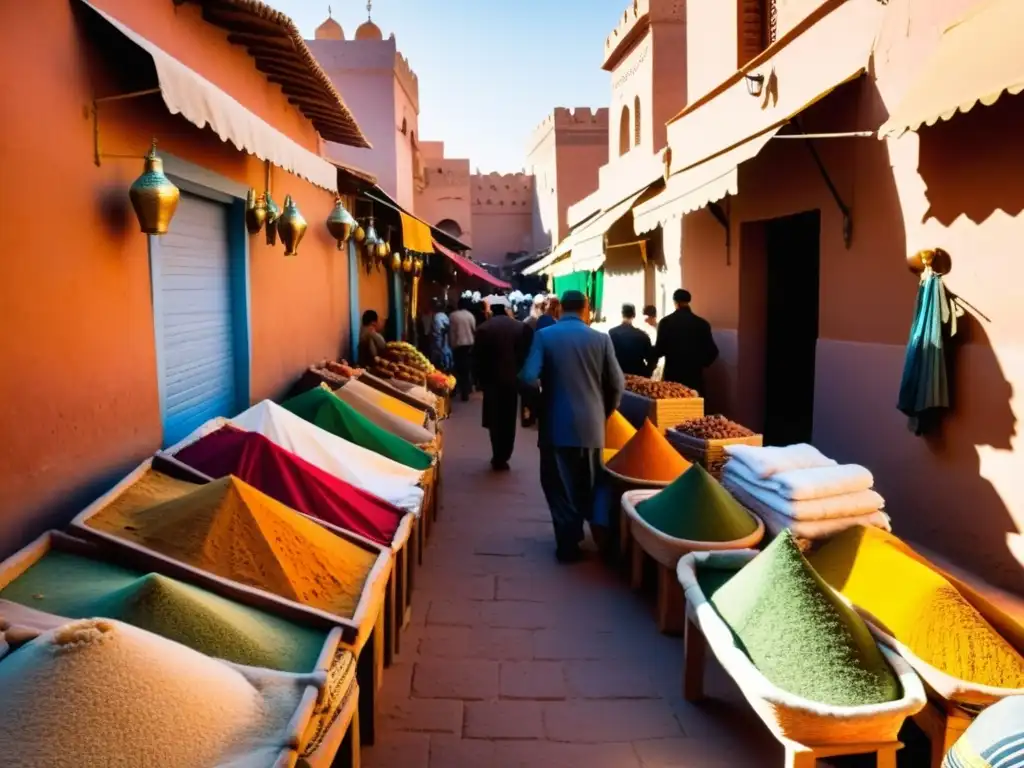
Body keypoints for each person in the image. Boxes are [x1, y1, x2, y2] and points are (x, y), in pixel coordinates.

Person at [520, 290, 625, 563]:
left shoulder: (545, 336)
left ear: (560, 308)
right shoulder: (601, 339)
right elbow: (617, 384)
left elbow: (528, 377)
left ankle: (567, 542)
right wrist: (603, 412)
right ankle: (594, 533)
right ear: (586, 308)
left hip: (555, 427)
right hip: (592, 427)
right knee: (588, 483)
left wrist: (541, 407)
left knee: (558, 485)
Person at [474, 300, 531, 470]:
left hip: (491, 382)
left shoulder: (484, 329)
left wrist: (478, 381)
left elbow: (477, 358)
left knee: (494, 419)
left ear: (491, 311)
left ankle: (497, 453)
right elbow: (526, 355)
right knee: (508, 418)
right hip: (512, 381)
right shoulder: (520, 327)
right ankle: (505, 454)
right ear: (506, 311)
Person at [653, 288, 719, 393]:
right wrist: (700, 363)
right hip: (694, 376)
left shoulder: (666, 322)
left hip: (673, 376)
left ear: (675, 302)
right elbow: (713, 352)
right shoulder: (702, 324)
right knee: (694, 406)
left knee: (674, 406)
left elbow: (659, 350)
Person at [609, 303, 655, 376]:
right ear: (634, 315)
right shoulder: (643, 336)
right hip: (637, 376)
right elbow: (651, 360)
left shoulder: (612, 333)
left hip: (618, 375)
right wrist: (646, 375)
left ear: (622, 314)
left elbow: (608, 358)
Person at [449, 297, 477, 402]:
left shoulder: (453, 316)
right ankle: (466, 390)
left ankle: (457, 390)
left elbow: (451, 332)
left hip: (458, 345)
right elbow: (474, 330)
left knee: (458, 368)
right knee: (467, 368)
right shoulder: (470, 316)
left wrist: (451, 345)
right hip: (469, 344)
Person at [429, 299, 453, 372]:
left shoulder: (437, 317)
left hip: (439, 343)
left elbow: (439, 331)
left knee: (440, 363)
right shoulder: (444, 316)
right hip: (444, 342)